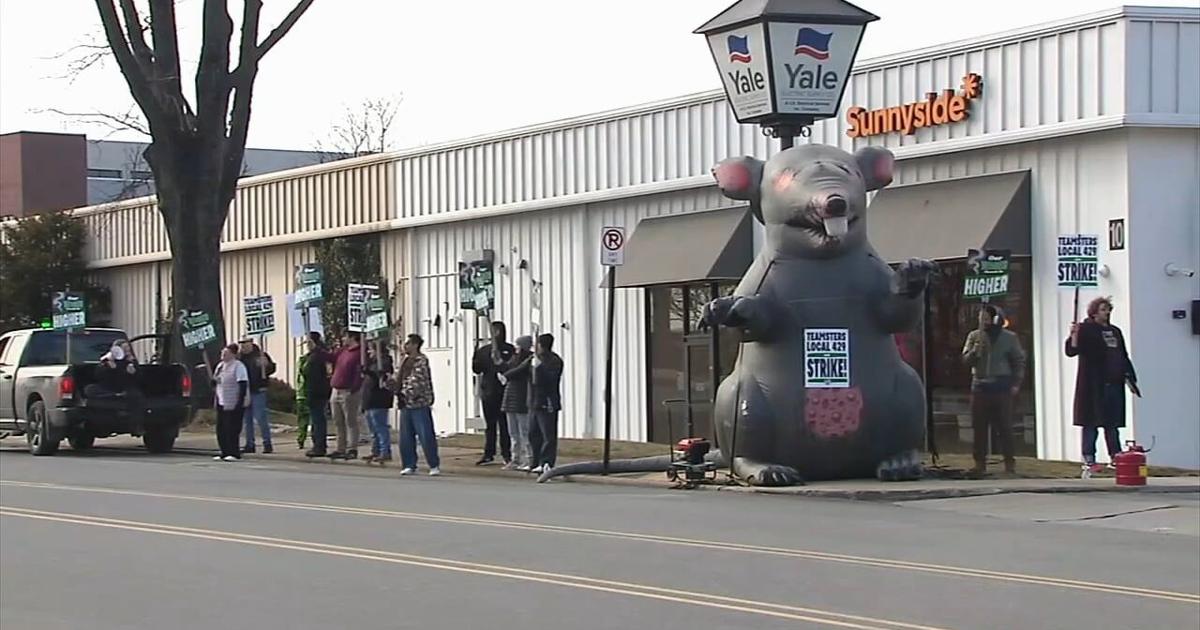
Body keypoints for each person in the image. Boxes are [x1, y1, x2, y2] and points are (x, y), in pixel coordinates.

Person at [1066, 296, 1140, 472]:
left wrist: (1130, 377)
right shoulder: (1085, 329)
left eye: (1108, 310)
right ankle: (1089, 458)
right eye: (1102, 310)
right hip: (1093, 383)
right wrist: (1073, 336)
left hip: (1114, 382)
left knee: (1112, 423)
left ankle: (1115, 456)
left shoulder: (1115, 331)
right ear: (1093, 312)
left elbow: (1123, 355)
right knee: (1091, 421)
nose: (1106, 313)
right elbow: (1071, 350)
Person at [961, 304, 1026, 475]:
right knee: (979, 427)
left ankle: (1009, 463)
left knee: (1005, 427)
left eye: (987, 318)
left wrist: (1016, 384)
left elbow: (1018, 361)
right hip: (980, 386)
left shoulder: (1009, 338)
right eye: (981, 319)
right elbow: (965, 360)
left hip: (1001, 387)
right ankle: (979, 463)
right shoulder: (974, 336)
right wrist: (975, 350)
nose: (983, 322)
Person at [472, 320, 514, 466]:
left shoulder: (510, 349)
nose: (495, 334)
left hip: (504, 392)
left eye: (496, 331)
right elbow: (477, 370)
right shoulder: (484, 351)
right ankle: (489, 453)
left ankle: (506, 453)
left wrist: (500, 361)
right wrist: (475, 356)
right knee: (490, 425)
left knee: (504, 425)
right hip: (488, 391)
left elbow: (511, 368)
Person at [397, 333, 440, 476]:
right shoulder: (404, 361)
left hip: (419, 403)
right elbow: (399, 379)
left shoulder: (421, 360)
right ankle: (409, 464)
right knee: (405, 437)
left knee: (425, 435)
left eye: (408, 343)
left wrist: (405, 392)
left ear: (415, 345)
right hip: (405, 405)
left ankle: (433, 464)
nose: (406, 346)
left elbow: (418, 381)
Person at [528, 333, 564, 474]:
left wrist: (540, 368)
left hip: (547, 403)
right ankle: (535, 461)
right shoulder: (535, 359)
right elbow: (521, 370)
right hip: (534, 403)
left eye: (537, 344)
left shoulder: (554, 361)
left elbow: (551, 379)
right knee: (533, 434)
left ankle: (547, 462)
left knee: (548, 435)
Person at [329, 332, 364, 460]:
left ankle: (352, 448)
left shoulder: (359, 353)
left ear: (352, 338)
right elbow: (330, 358)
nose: (343, 339)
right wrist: (316, 349)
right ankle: (340, 448)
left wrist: (353, 389)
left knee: (351, 420)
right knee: (338, 421)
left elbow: (359, 372)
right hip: (336, 389)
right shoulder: (343, 351)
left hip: (348, 391)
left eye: (345, 336)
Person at [501, 336, 535, 471]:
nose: (516, 348)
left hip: (522, 398)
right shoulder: (514, 359)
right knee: (513, 432)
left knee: (525, 432)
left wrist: (506, 375)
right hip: (510, 398)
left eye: (518, 345)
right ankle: (515, 459)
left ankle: (529, 458)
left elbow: (518, 370)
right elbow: (506, 367)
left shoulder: (530, 360)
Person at [238, 337, 277, 454]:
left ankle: (267, 443)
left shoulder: (260, 355)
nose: (243, 346)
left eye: (245, 343)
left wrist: (267, 365)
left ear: (251, 343)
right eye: (241, 344)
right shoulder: (240, 358)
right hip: (246, 391)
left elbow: (271, 369)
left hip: (258, 390)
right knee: (247, 420)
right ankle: (250, 444)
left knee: (261, 418)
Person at [211, 344, 249, 461]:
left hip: (233, 401)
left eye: (226, 353)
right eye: (222, 353)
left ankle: (234, 452)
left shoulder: (238, 366)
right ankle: (224, 451)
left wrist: (239, 402)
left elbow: (242, 384)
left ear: (233, 354)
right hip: (221, 401)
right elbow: (215, 381)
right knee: (221, 428)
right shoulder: (220, 366)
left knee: (232, 428)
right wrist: (213, 381)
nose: (223, 355)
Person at [362, 342, 396, 464]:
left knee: (380, 427)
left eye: (371, 350)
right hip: (369, 400)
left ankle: (385, 451)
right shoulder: (372, 363)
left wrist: (372, 373)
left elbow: (382, 378)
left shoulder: (385, 362)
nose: (368, 352)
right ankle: (375, 450)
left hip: (379, 399)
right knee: (373, 429)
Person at [303, 332, 334, 458]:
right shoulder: (314, 356)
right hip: (314, 391)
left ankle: (320, 446)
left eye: (309, 342)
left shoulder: (318, 357)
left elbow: (317, 375)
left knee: (318, 420)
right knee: (316, 420)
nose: (307, 345)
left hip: (317, 392)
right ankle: (317, 444)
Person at [294, 349, 311, 449]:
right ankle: (301, 438)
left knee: (306, 419)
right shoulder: (304, 360)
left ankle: (302, 439)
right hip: (304, 393)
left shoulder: (303, 360)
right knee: (303, 419)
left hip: (306, 393)